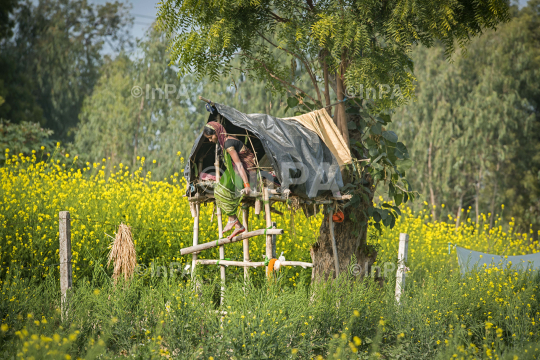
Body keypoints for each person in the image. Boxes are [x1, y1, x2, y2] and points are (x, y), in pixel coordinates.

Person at [203, 122, 256, 239]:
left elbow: (239, 164)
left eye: (211, 137)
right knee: (218, 192)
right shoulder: (226, 141)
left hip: (246, 172)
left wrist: (247, 185)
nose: (211, 140)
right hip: (238, 171)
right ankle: (236, 223)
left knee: (220, 192)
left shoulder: (228, 144)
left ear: (217, 133)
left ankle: (234, 221)